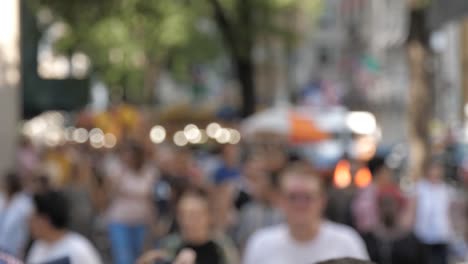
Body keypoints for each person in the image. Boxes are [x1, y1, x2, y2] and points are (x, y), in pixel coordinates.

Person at [243, 162, 369, 264]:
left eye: (307, 197)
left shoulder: (347, 241)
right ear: (280, 200)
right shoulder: (261, 243)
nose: (300, 204)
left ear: (322, 200)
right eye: (293, 197)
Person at [138, 189, 239, 264]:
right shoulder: (169, 245)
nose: (188, 221)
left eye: (194, 215)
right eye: (183, 215)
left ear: (208, 216)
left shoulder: (222, 247)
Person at [106, 143, 157, 264]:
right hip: (119, 220)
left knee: (140, 256)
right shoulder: (116, 169)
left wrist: (153, 221)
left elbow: (151, 198)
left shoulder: (149, 171)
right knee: (123, 257)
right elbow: (108, 193)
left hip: (141, 221)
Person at [26, 190, 102, 264]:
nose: (29, 222)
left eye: (33, 217)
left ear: (45, 220)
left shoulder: (78, 250)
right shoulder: (38, 247)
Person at [362, 186, 427, 264]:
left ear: (399, 206)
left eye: (391, 204)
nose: (387, 208)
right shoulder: (369, 238)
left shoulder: (412, 240)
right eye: (384, 204)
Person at [235, 156, 282, 250]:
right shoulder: (248, 211)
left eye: (266, 185)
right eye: (258, 183)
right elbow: (242, 241)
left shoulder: (282, 211)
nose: (262, 188)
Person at [413, 160, 455, 264]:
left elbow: (449, 212)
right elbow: (412, 210)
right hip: (423, 236)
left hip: (442, 235)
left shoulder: (445, 189)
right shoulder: (419, 188)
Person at [0, 172, 33, 258]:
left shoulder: (24, 204)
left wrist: (22, 249)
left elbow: (27, 230)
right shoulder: (2, 198)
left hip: (13, 250)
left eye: (3, 183)